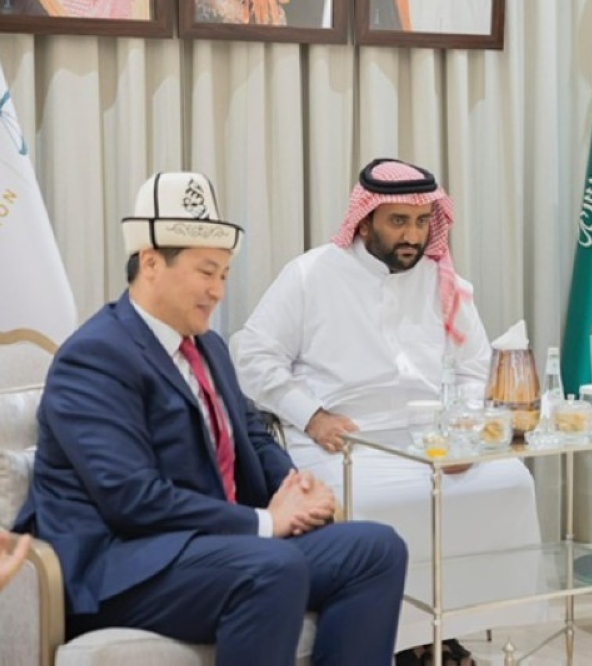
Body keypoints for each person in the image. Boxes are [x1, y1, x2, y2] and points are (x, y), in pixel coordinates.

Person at [13, 172, 408, 665]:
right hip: (125, 565)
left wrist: (296, 488)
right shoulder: (95, 356)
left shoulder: (210, 348)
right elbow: (132, 498)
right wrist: (264, 522)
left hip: (214, 548)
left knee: (377, 550)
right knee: (272, 566)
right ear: (151, 263)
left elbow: (251, 436)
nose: (218, 290)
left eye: (224, 274)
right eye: (206, 272)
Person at [232, 158, 542, 663]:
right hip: (340, 439)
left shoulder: (443, 280)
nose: (413, 236)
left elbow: (475, 369)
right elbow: (252, 354)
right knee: (377, 499)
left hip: (435, 437)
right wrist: (311, 414)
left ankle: (448, 628)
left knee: (510, 481)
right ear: (364, 220)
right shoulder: (311, 274)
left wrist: (464, 431)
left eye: (421, 222)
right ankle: (398, 638)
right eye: (398, 221)